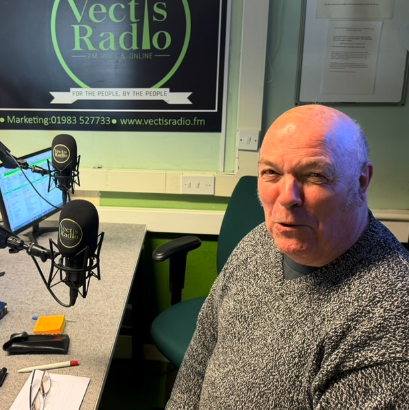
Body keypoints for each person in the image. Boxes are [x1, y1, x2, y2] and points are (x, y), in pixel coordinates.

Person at [165, 104, 409, 409]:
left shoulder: (389, 319)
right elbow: (202, 352)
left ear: (361, 182)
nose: (287, 197)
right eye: (271, 173)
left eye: (316, 175)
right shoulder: (259, 242)